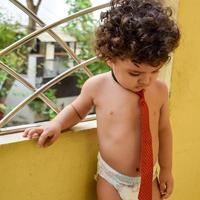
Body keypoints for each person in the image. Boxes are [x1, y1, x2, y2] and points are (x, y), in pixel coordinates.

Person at [23, 0, 180, 199]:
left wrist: (166, 169)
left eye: (155, 71)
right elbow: (77, 110)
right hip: (111, 179)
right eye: (134, 73)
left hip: (148, 178)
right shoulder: (97, 86)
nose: (146, 80)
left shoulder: (159, 90)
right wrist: (56, 124)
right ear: (110, 58)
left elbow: (164, 130)